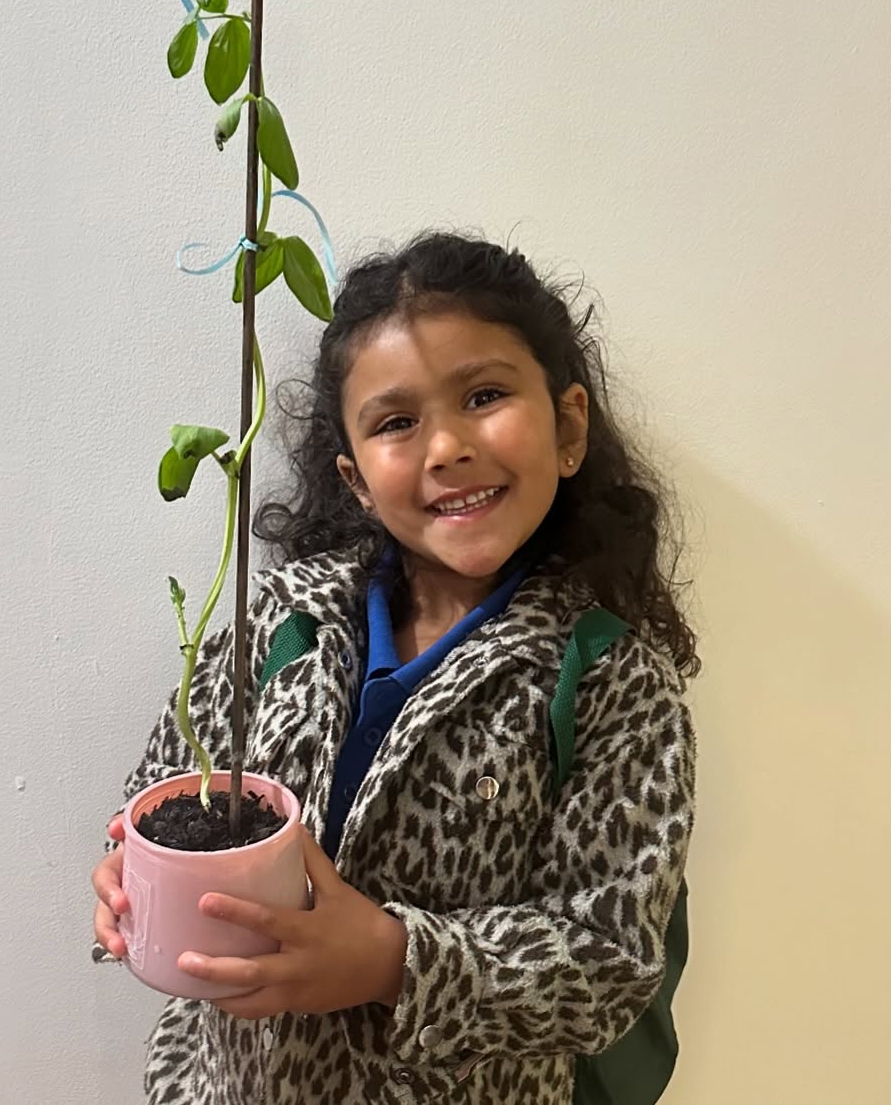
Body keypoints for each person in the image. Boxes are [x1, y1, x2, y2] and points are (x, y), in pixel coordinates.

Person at [92, 232, 698, 1103]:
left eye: (483, 395)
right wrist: (125, 869)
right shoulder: (277, 620)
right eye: (396, 421)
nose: (445, 446)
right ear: (356, 480)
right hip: (231, 1084)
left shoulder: (609, 682)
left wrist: (394, 960)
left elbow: (609, 956)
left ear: (568, 427)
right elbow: (162, 791)